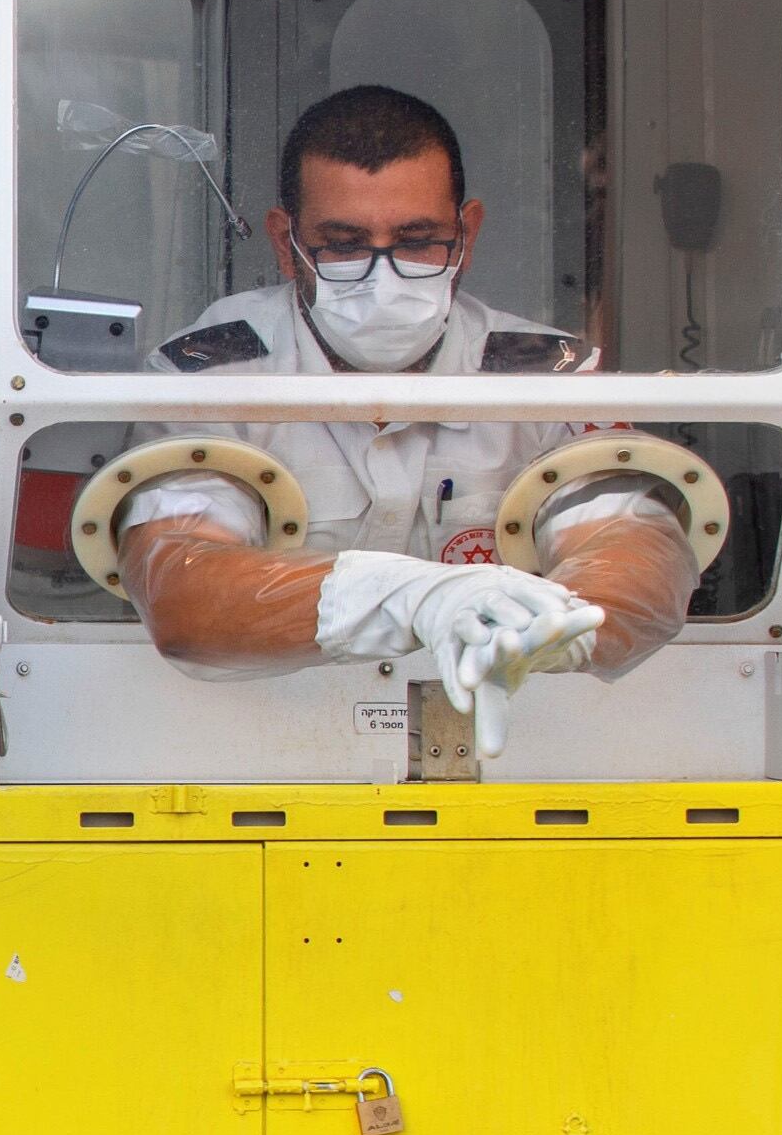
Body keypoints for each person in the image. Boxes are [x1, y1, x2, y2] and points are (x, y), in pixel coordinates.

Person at [113, 84, 699, 749]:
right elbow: (183, 589)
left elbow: (635, 553)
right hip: (246, 755)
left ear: (467, 233)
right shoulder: (213, 377)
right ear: (286, 243)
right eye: (343, 245)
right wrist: (418, 602)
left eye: (418, 242)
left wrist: (544, 631)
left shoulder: (544, 377)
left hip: (521, 756)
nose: (381, 276)